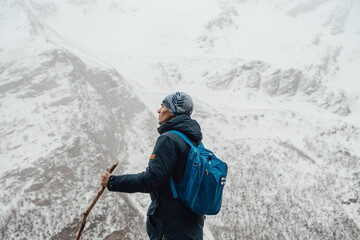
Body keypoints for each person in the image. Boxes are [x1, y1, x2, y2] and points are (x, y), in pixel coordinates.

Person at [101, 92, 204, 240]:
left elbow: (150, 181)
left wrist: (112, 182)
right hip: (192, 226)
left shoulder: (169, 140)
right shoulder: (194, 142)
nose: (158, 110)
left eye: (163, 106)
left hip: (170, 228)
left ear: (173, 110)